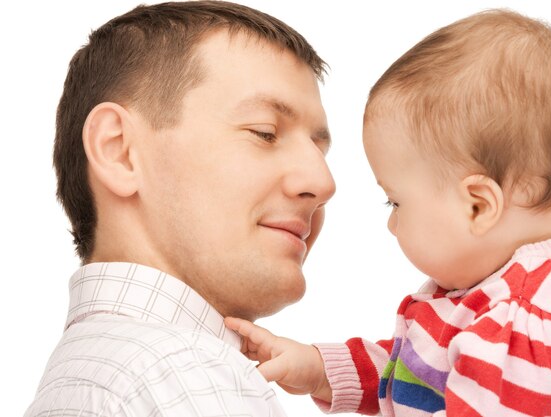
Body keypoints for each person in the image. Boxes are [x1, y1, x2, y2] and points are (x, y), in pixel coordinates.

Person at [226, 9, 551, 417]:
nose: (391, 223)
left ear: (478, 206)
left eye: (395, 202)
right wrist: (319, 370)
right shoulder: (522, 286)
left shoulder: (521, 326)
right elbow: (429, 372)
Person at [24, 1, 335, 416]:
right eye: (265, 133)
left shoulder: (84, 375)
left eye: (319, 149)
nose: (323, 183)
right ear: (119, 152)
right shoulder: (184, 374)